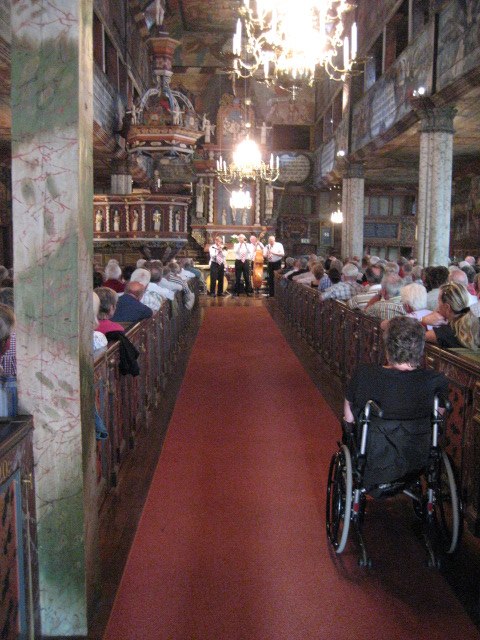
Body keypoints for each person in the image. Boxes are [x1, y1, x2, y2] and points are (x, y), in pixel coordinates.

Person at [343, 316, 449, 487]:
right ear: (421, 349)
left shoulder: (365, 374)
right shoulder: (436, 381)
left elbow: (349, 417)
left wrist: (350, 431)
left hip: (374, 457)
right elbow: (436, 420)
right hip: (418, 458)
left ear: (387, 349)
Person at [424, 282, 480, 350]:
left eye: (439, 303)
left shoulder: (445, 333)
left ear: (447, 307)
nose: (437, 307)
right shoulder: (476, 321)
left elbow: (416, 337)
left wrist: (423, 321)